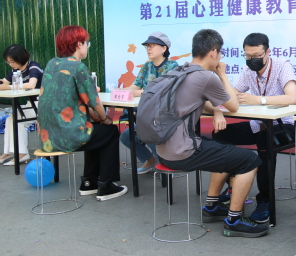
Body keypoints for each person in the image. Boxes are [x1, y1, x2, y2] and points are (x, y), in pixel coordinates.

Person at [156, 29, 269, 238]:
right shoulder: (205, 77)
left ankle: (212, 207)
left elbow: (202, 103)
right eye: (220, 54)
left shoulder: (178, 71)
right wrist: (222, 75)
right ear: (213, 53)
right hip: (183, 152)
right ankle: (234, 221)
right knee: (250, 160)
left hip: (162, 150)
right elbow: (233, 106)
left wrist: (217, 110)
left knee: (224, 149)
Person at [210, 33, 296, 223]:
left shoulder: (282, 66)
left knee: (264, 140)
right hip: (258, 124)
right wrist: (218, 109)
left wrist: (258, 100)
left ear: (268, 52)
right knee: (220, 134)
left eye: (257, 56)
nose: (252, 60)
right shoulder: (247, 70)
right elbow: (232, 94)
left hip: (285, 126)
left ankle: (265, 200)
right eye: (248, 56)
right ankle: (234, 184)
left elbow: (291, 98)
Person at [37, 25, 127, 201]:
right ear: (79, 44)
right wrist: (104, 118)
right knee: (109, 132)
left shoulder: (51, 63)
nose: (87, 46)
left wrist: (97, 119)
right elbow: (94, 102)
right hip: (66, 136)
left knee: (94, 131)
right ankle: (106, 186)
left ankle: (89, 182)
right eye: (87, 43)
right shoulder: (78, 67)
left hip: (46, 137)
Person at [120, 32, 178, 174]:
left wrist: (141, 92)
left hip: (164, 118)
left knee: (148, 130)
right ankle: (151, 160)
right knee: (126, 136)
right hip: (146, 115)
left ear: (164, 48)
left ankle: (165, 165)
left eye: (152, 45)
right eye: (147, 46)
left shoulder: (173, 66)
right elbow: (136, 86)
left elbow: (163, 91)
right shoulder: (147, 66)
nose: (148, 49)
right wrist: (120, 91)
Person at [0, 45, 44, 165]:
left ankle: (22, 153)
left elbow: (31, 85)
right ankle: (9, 152)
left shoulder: (33, 67)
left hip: (43, 103)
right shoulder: (15, 70)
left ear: (20, 58)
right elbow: (4, 82)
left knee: (17, 119)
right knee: (10, 119)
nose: (11, 64)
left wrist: (8, 87)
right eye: (8, 62)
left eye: (12, 62)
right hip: (32, 103)